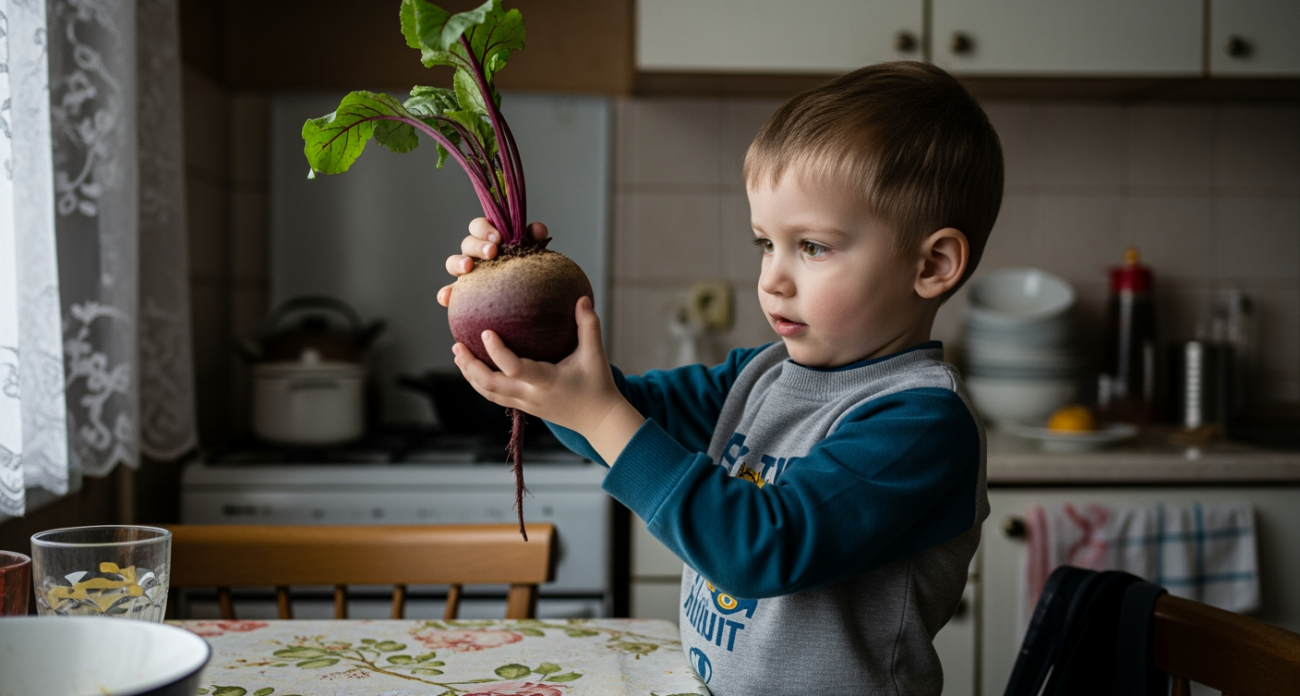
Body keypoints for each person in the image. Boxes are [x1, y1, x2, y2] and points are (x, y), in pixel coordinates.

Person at [438, 61, 1003, 696]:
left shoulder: (922, 422)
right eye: (766, 243)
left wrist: (599, 415)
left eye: (811, 247)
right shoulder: (762, 375)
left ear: (933, 264)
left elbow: (762, 548)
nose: (773, 278)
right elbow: (613, 410)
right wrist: (522, 329)